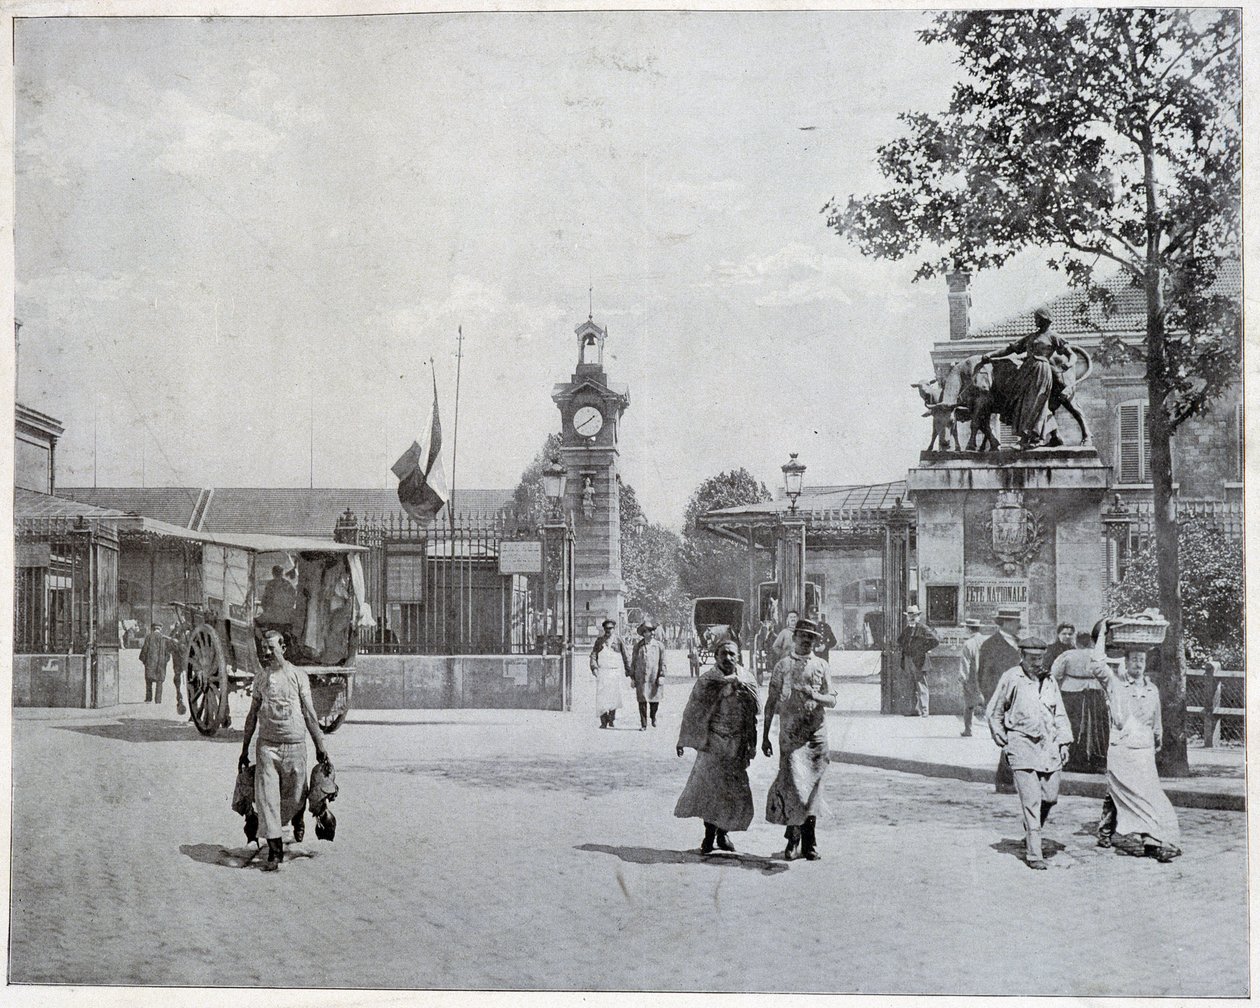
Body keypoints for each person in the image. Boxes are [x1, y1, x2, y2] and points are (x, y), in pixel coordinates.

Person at [239, 629, 331, 871]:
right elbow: (251, 716)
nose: (266, 652)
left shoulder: (298, 676)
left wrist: (321, 748)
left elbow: (310, 715)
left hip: (295, 746)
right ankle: (275, 852)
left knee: (295, 797)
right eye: (264, 647)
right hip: (267, 746)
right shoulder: (260, 678)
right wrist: (244, 748)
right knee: (268, 799)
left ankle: (298, 816)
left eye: (271, 647)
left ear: (284, 648)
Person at [1089, 626, 1181, 862]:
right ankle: (1133, 835)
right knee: (1126, 791)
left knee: (1146, 794)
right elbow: (1097, 665)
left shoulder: (1152, 689)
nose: (1138, 664)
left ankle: (1151, 840)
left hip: (1144, 749)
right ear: (1125, 662)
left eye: (1142, 660)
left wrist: (1157, 738)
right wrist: (1101, 635)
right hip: (1122, 748)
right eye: (1134, 660)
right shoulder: (1116, 685)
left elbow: (1156, 720)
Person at [985, 637, 1073, 870]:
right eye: (1032, 658)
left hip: (1048, 745)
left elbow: (1060, 714)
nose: (1037, 663)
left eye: (1040, 658)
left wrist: (1064, 743)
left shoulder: (1050, 680)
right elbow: (994, 711)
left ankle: (1032, 831)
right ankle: (1035, 852)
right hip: (1021, 744)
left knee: (1050, 797)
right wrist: (1000, 735)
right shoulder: (1012, 678)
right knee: (1031, 800)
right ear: (1022, 656)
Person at [674, 640, 760, 854]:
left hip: (737, 742)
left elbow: (756, 709)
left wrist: (752, 742)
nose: (728, 658)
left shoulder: (747, 678)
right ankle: (709, 835)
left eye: (732, 654)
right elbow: (693, 710)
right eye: (723, 654)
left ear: (738, 656)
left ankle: (723, 834)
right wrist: (684, 739)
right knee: (710, 789)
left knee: (731, 789)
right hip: (712, 742)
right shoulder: (707, 680)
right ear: (716, 656)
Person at [762, 618, 836, 861]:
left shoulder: (822, 665)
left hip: (816, 736)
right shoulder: (782, 666)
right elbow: (771, 703)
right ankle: (792, 840)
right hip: (791, 736)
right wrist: (764, 737)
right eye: (802, 635)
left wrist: (816, 695)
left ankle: (810, 841)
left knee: (813, 788)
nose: (806, 640)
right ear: (793, 638)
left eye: (811, 636)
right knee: (793, 787)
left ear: (815, 640)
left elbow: (832, 699)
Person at [975, 307, 1072, 448]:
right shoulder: (1031, 337)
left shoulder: (1053, 337)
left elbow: (1071, 354)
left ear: (1045, 319)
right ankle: (1048, 436)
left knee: (1034, 402)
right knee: (1021, 402)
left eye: (1037, 318)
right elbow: (1010, 349)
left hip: (1041, 370)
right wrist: (991, 355)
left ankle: (1030, 439)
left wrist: (1069, 364)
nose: (1035, 320)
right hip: (1026, 371)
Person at [978, 606, 1024, 792]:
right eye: (1015, 622)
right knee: (1009, 738)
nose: (1019, 625)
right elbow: (984, 676)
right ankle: (1005, 781)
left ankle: (1008, 780)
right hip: (1002, 700)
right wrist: (993, 700)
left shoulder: (1020, 643)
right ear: (1004, 623)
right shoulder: (990, 645)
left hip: (1021, 698)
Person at [1050, 630, 1109, 772]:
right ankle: (1096, 760)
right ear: (1090, 642)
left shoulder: (1068, 655)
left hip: (1072, 693)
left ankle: (1072, 760)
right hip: (1094, 692)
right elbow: (1106, 675)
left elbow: (1055, 673)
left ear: (1076, 642)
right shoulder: (1098, 656)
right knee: (1096, 726)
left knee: (1072, 725)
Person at [897, 605, 940, 717]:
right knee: (910, 685)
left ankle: (925, 710)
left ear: (918, 616)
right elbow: (900, 641)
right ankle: (914, 710)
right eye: (910, 615)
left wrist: (923, 649)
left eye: (914, 615)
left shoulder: (923, 628)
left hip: (919, 661)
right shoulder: (907, 630)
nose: (912, 617)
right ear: (907, 617)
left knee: (921, 685)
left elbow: (935, 640)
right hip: (908, 660)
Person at [590, 618, 630, 729]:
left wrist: (629, 670)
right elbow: (593, 655)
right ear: (604, 629)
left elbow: (626, 655)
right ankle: (603, 721)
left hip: (614, 671)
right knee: (602, 697)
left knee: (613, 696)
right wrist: (594, 668)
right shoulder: (599, 641)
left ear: (614, 629)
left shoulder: (618, 640)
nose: (608, 631)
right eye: (606, 629)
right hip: (602, 672)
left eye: (611, 628)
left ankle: (611, 719)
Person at [630, 617, 667, 730]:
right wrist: (632, 678)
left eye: (652, 631)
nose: (651, 633)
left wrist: (662, 675)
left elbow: (663, 662)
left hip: (654, 676)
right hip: (641, 677)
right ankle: (643, 724)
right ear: (644, 633)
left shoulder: (659, 646)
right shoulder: (638, 646)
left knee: (654, 700)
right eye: (648, 631)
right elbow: (633, 662)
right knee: (642, 700)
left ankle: (653, 717)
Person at [958, 617, 985, 737]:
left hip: (972, 680)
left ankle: (968, 730)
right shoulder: (986, 641)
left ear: (969, 629)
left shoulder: (968, 644)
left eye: (965, 627)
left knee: (969, 705)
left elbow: (965, 663)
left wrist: (963, 678)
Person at [259, 564, 298, 629]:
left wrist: (267, 610)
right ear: (282, 573)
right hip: (286, 617)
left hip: (273, 617)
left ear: (273, 573)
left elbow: (264, 601)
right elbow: (293, 597)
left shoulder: (270, 584)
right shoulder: (288, 584)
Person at [166, 619, 189, 717]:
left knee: (178, 675)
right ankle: (179, 697)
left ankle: (179, 697)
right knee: (178, 676)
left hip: (182, 658)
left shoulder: (177, 629)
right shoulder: (178, 629)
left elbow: (169, 646)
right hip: (183, 658)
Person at [139, 623, 167, 704]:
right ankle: (158, 700)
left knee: (148, 681)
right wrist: (165, 661)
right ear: (160, 629)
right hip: (161, 663)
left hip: (150, 662)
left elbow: (145, 649)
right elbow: (167, 652)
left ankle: (148, 698)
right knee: (159, 681)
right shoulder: (163, 638)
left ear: (153, 629)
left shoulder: (148, 637)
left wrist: (144, 660)